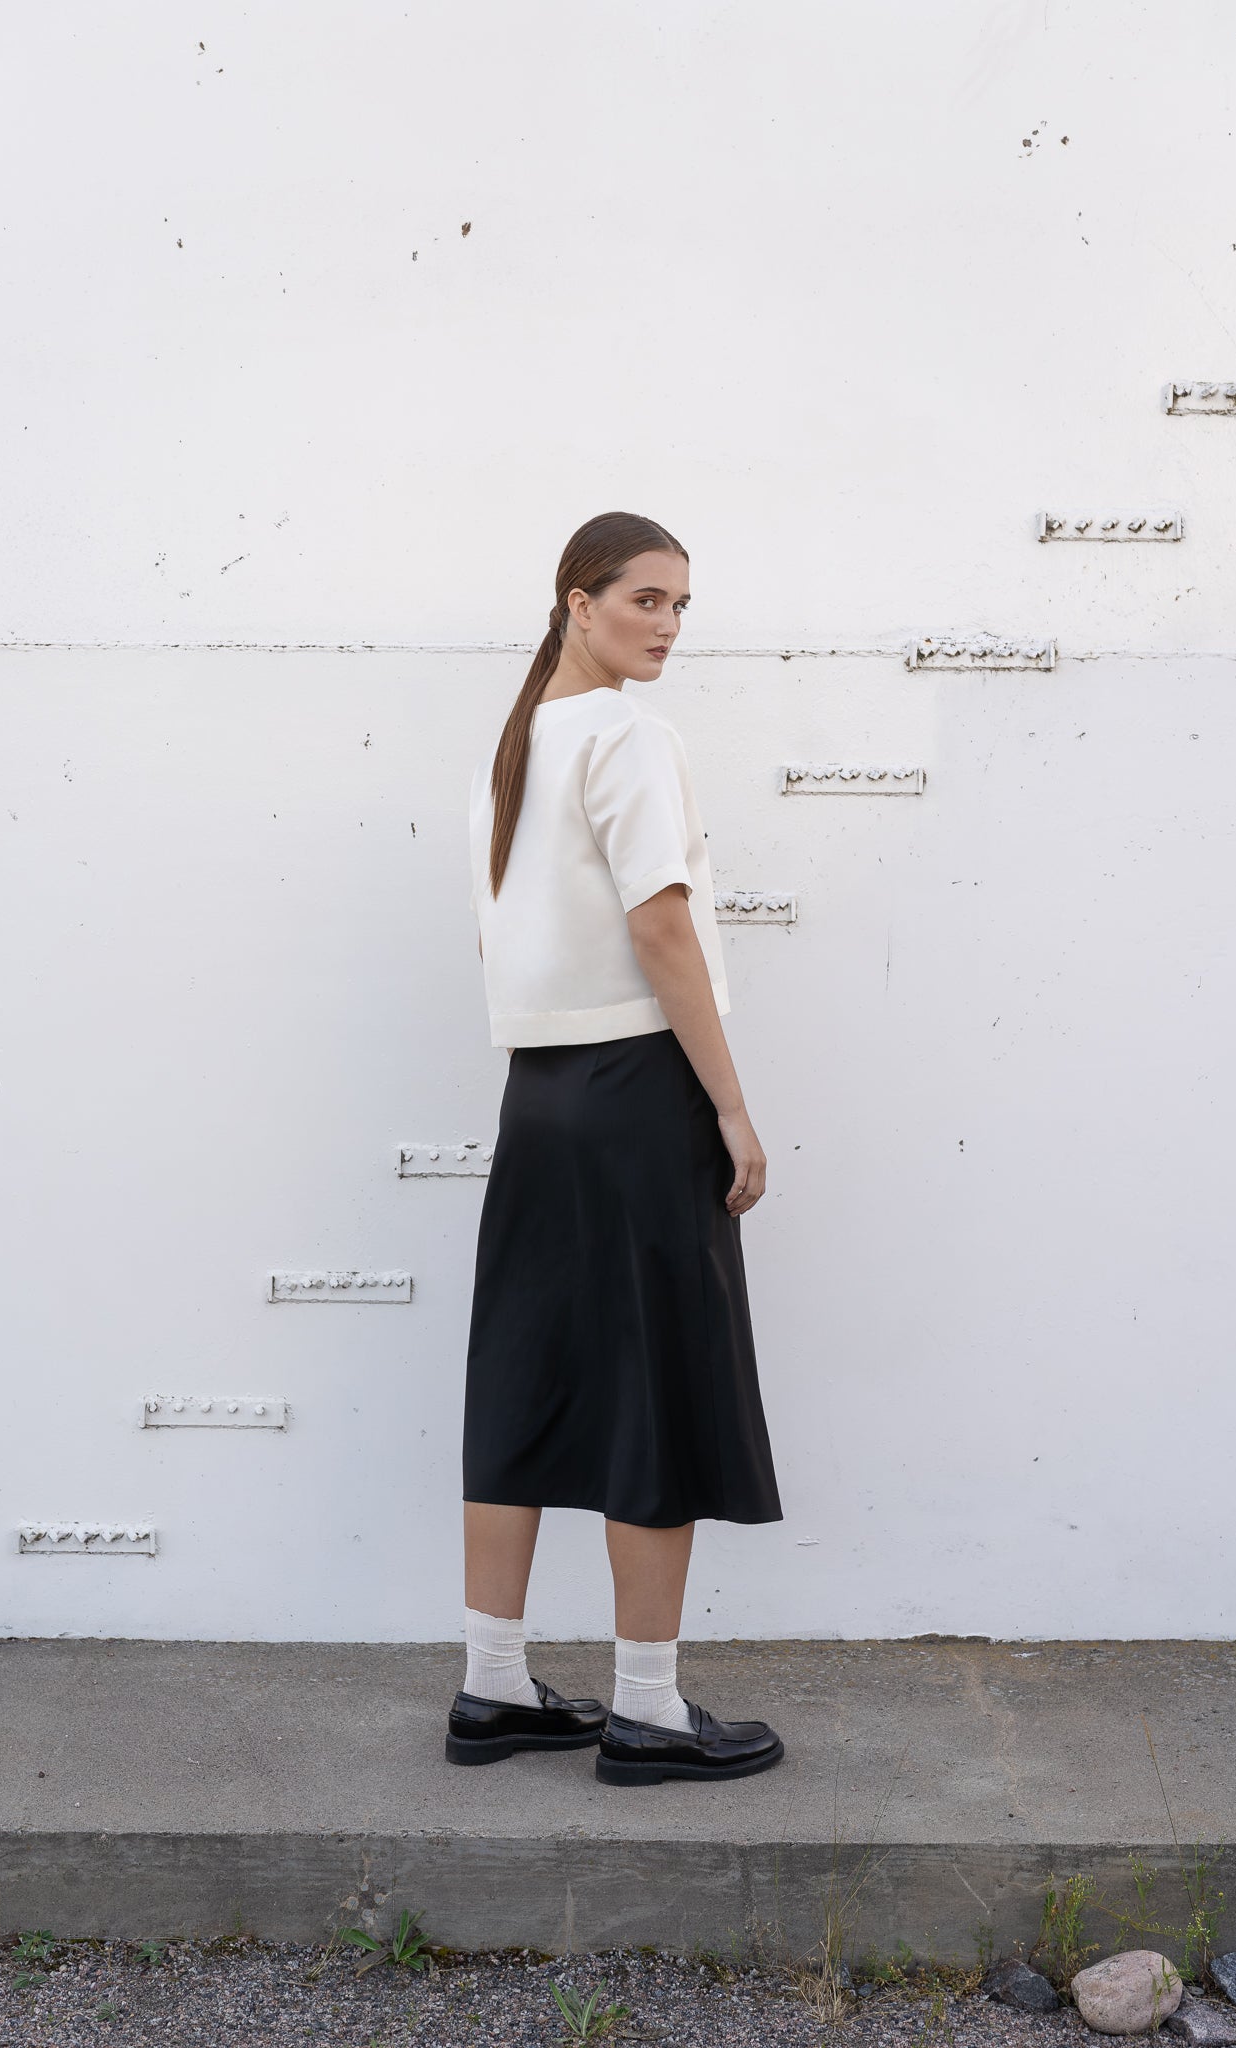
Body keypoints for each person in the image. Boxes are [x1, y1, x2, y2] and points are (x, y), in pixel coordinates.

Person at [453, 510, 784, 1787]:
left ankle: (491, 1685)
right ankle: (646, 1707)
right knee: (656, 1383)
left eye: (682, 605)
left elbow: (501, 943)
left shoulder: (511, 749)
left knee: (523, 1370)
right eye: (645, 598)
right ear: (576, 600)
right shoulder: (631, 740)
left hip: (539, 1096)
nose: (668, 625)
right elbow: (662, 927)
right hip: (638, 1087)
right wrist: (733, 1107)